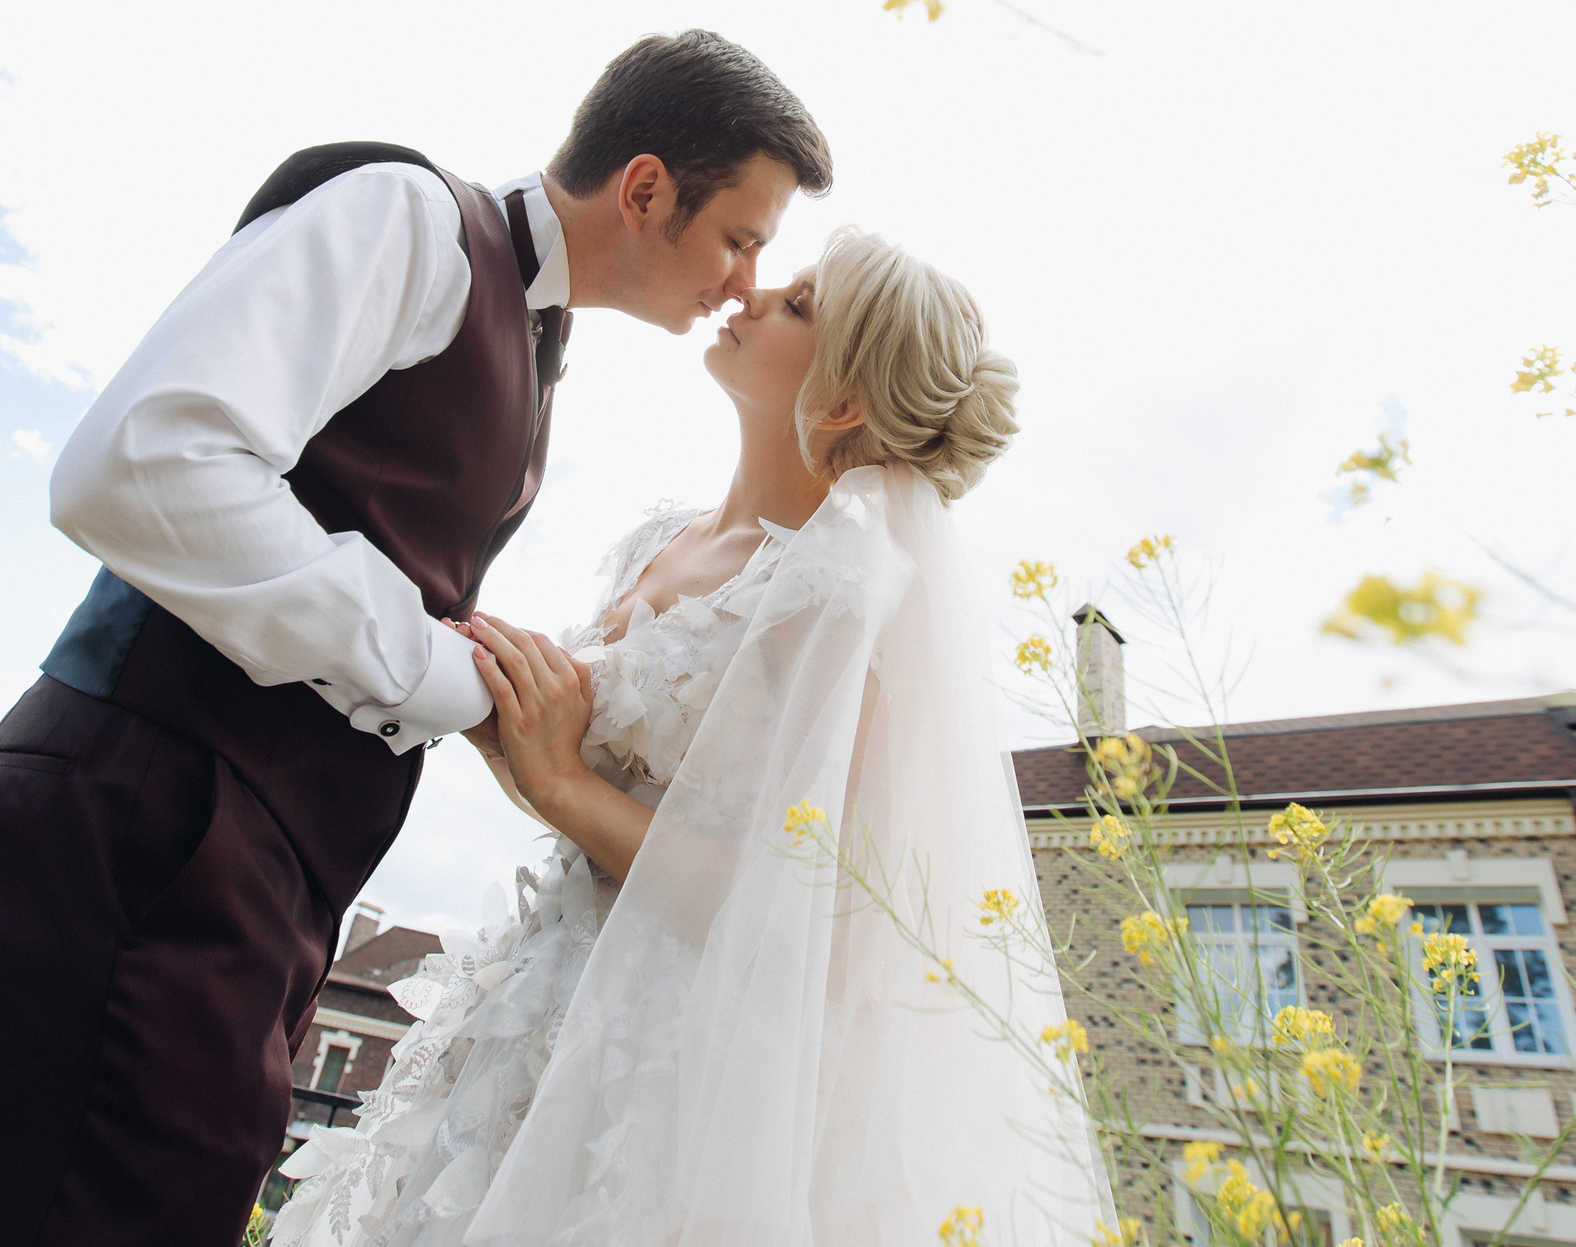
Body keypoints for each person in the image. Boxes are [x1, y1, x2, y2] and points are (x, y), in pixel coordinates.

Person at [0, 32, 832, 1247]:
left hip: (249, 864)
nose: (745, 277)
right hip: (136, 817)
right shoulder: (408, 220)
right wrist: (443, 674)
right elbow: (140, 460)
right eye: (741, 235)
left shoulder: (532, 347)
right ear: (644, 191)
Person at [274, 230, 1111, 1247]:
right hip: (539, 1000)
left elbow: (830, 926)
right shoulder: (659, 539)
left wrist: (562, 788)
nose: (753, 294)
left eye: (799, 304)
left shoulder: (835, 596)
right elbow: (583, 777)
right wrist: (519, 736)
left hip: (669, 1059)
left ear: (843, 399)